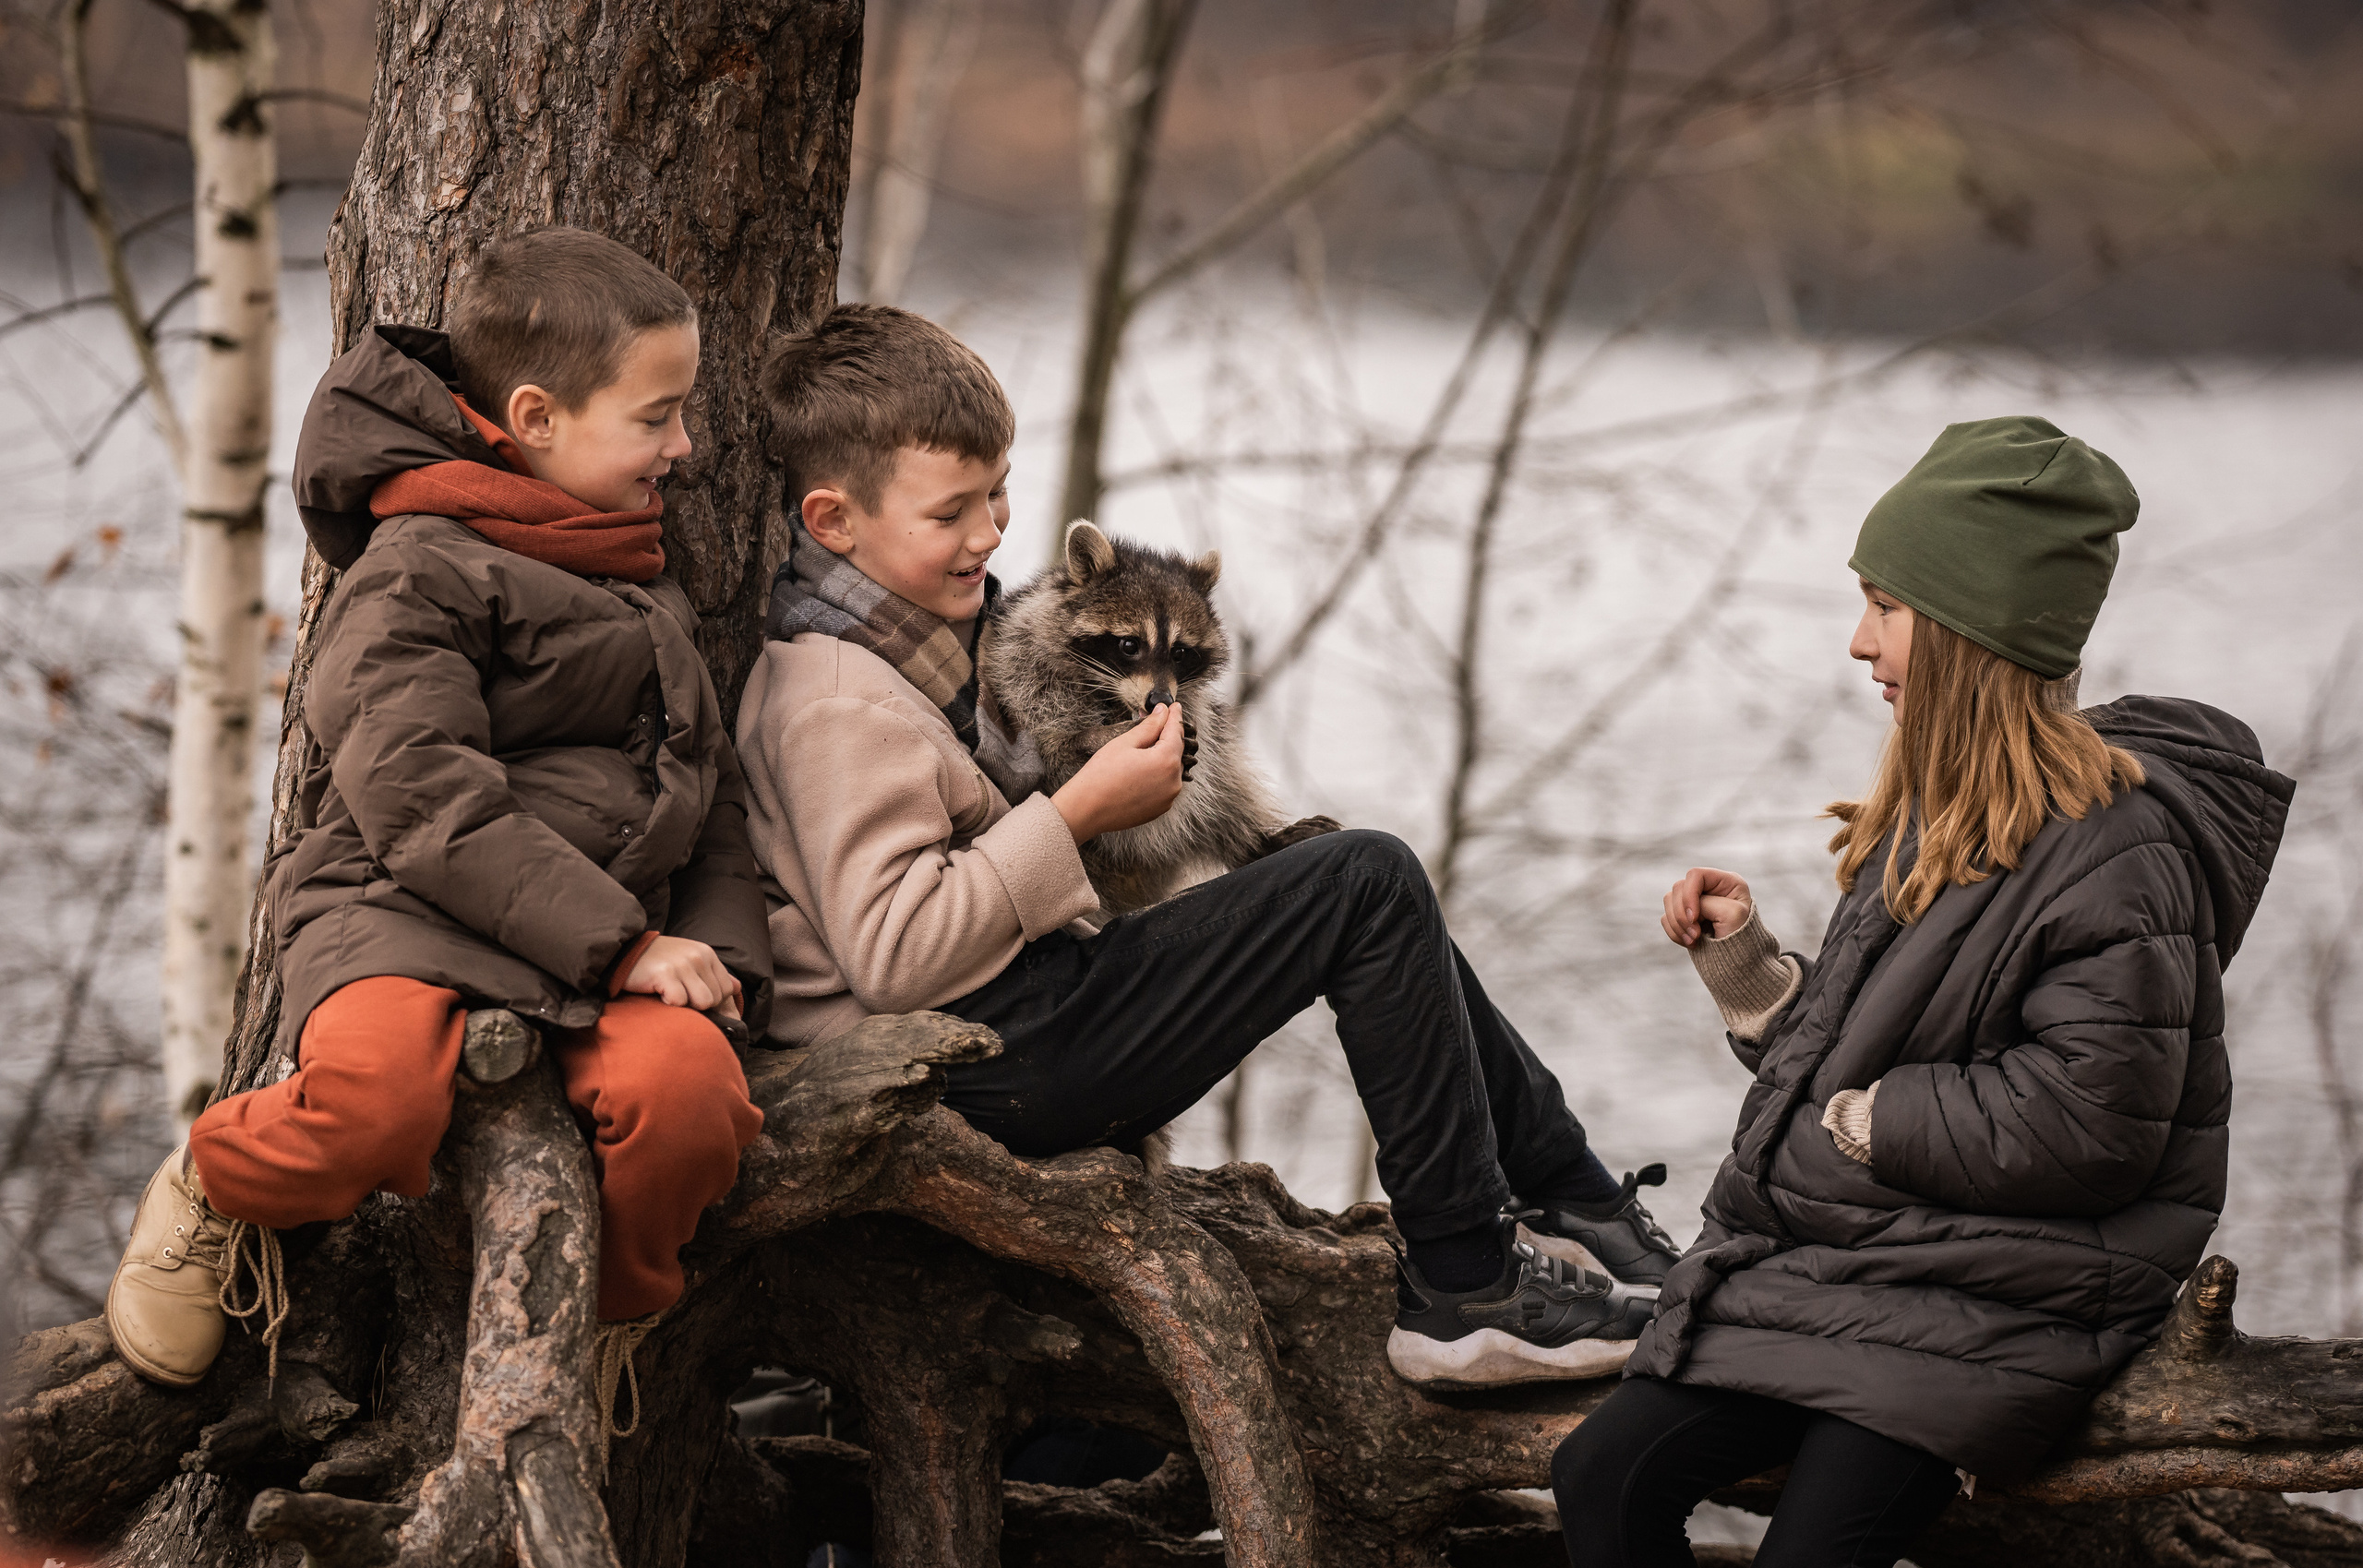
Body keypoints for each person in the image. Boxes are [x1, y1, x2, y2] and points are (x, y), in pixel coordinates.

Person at [738, 302, 1670, 1389]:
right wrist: (1080, 812)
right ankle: (1467, 1281)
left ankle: (1576, 1202)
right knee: (1363, 881)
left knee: (1355, 887)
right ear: (833, 519)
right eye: (954, 511)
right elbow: (898, 958)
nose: (992, 532)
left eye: (997, 496)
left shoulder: (922, 643)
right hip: (975, 1061)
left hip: (1014, 1024)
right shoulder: (837, 697)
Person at [1552, 417, 2295, 1568]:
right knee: (1599, 1476)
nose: (1858, 643)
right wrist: (1751, 976)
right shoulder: (1935, 814)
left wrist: (1872, 1119)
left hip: (1999, 1302)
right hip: (1857, 1274)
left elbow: (2096, 1121)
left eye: (1885, 609)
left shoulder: (2122, 852)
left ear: (1971, 633)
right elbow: (1873, 1050)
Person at [104, 228, 771, 1395]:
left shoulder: (636, 573)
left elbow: (703, 798)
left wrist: (713, 957)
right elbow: (423, 803)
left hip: (604, 945)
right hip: (400, 916)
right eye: (657, 417)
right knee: (372, 1109)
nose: (687, 446)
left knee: (691, 1103)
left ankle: (604, 1325)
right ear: (537, 416)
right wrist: (625, 946)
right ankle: (214, 1182)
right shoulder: (414, 570)